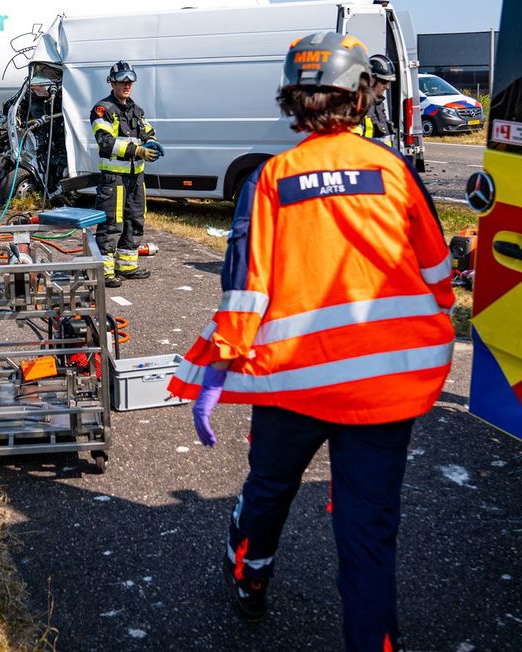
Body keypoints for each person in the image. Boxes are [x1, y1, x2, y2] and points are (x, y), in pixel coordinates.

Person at [168, 32, 454, 650]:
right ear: (362, 96)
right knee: (369, 528)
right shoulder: (396, 172)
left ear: (295, 100)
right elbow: (437, 275)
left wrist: (218, 368)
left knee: (269, 489)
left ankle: (249, 580)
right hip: (385, 386)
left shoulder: (272, 179)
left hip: (294, 383)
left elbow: (244, 292)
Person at [90, 61, 161, 287]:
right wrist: (137, 150)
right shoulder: (103, 109)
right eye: (122, 81)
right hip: (114, 179)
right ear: (112, 82)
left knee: (134, 220)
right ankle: (105, 271)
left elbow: (149, 131)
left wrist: (152, 144)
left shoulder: (136, 109)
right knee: (112, 223)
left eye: (130, 81)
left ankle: (127, 266)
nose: (127, 85)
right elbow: (105, 141)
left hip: (135, 178)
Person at [356, 53, 395, 145]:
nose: (387, 87)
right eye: (384, 81)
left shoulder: (378, 105)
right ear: (371, 79)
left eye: (388, 82)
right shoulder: (358, 106)